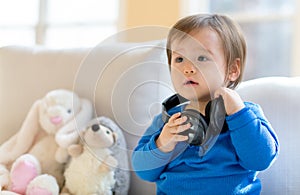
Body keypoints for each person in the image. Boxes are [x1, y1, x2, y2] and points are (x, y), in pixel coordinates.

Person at [131, 13, 279, 194]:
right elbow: (142, 171)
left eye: (201, 58)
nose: (188, 68)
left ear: (232, 69)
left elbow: (261, 160)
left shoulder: (245, 115)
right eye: (179, 59)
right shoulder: (168, 121)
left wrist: (239, 115)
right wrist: (163, 144)